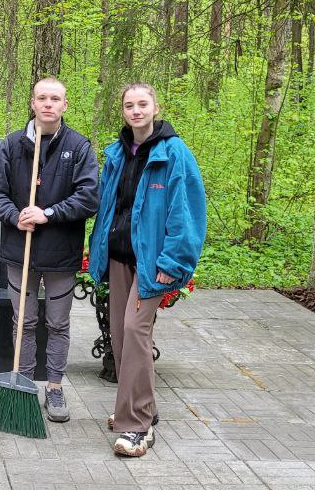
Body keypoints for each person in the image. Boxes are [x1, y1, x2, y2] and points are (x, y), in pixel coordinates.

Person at [87, 82, 206, 457]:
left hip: (153, 262)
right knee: (121, 340)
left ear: (156, 107)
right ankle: (140, 407)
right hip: (121, 257)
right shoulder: (118, 153)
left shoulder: (174, 153)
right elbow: (109, 207)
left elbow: (186, 213)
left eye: (143, 104)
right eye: (129, 105)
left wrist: (174, 262)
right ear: (122, 111)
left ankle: (138, 425)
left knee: (135, 331)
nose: (136, 111)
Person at [0, 77, 99, 422]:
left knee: (58, 323)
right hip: (21, 250)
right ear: (32, 103)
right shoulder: (14, 144)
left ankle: (55, 386)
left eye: (55, 99)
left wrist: (48, 213)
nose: (48, 104)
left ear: (65, 105)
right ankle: (24, 382)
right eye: (42, 98)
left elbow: (89, 196)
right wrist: (15, 215)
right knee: (24, 321)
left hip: (60, 253)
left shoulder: (78, 147)